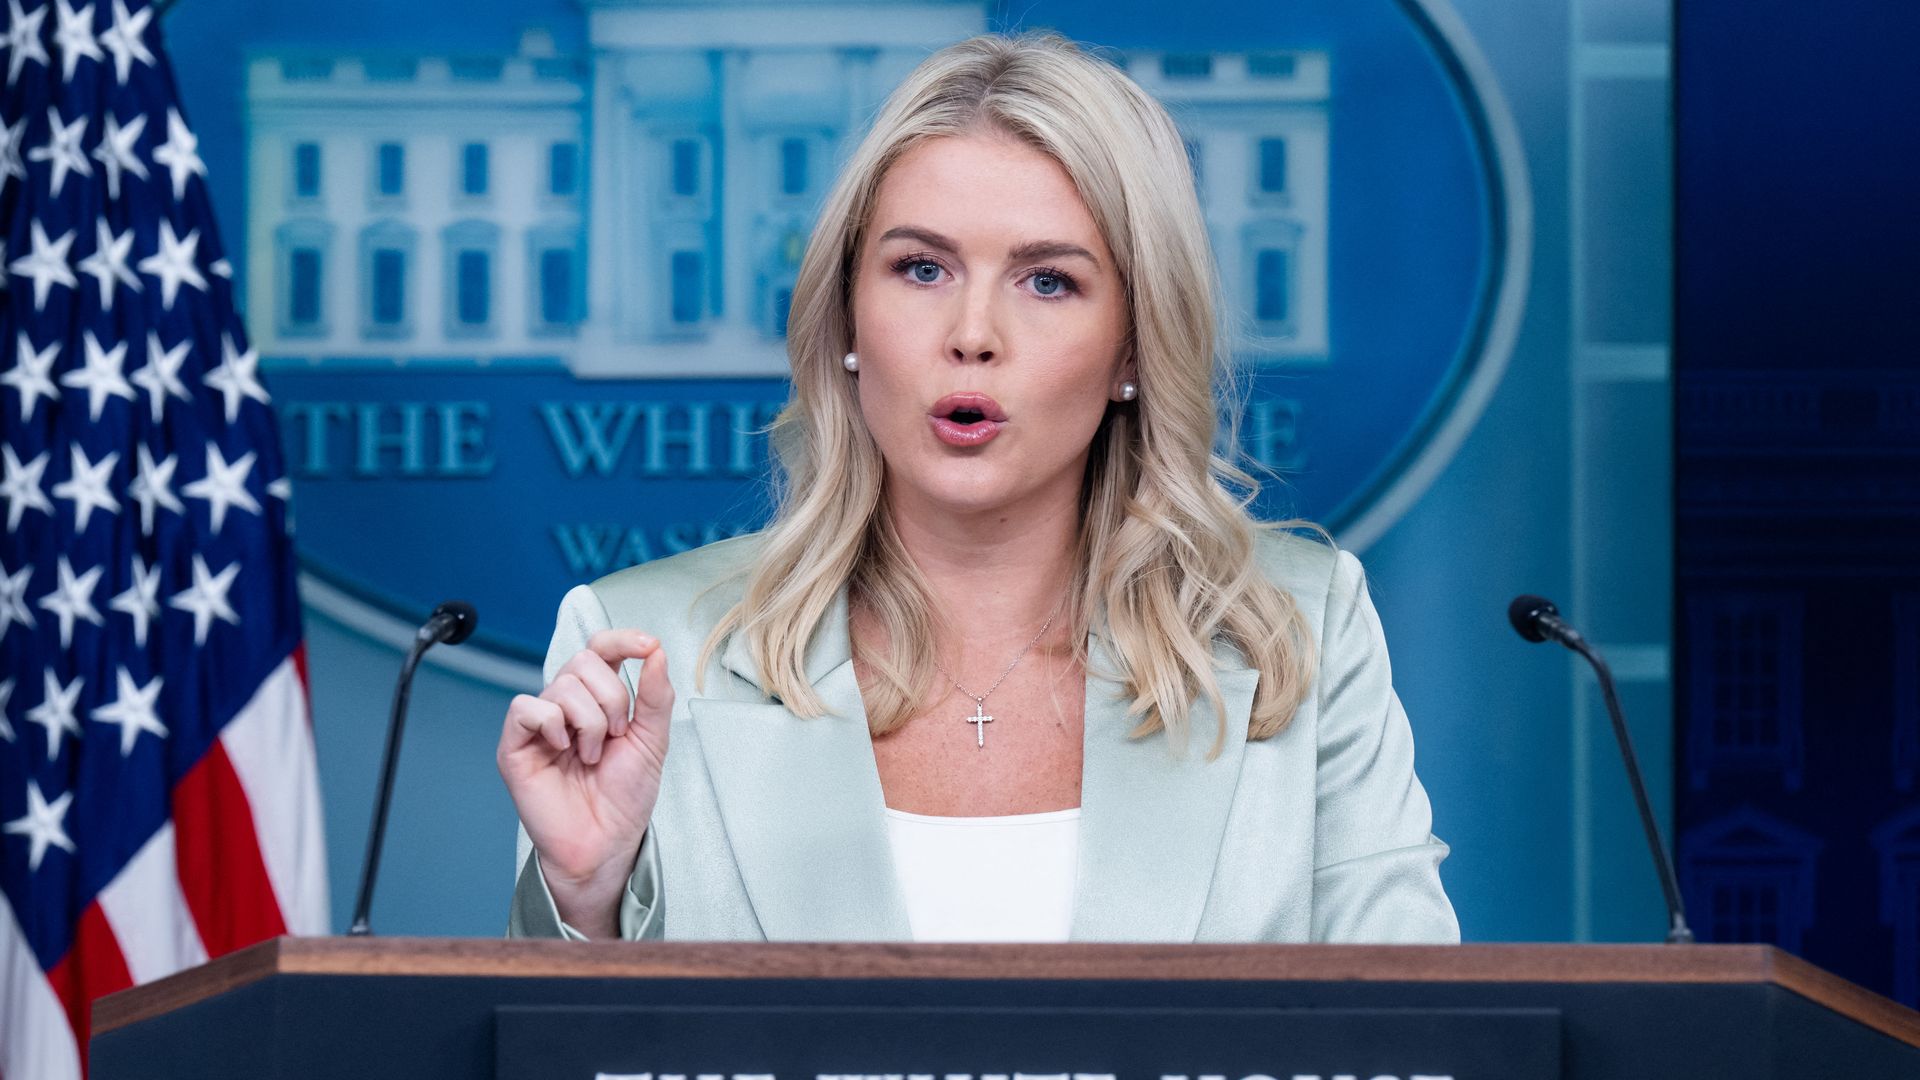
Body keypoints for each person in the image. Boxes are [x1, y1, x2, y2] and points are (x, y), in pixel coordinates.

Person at [499, 30, 1459, 944]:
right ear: (845, 317)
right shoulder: (639, 655)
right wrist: (583, 911)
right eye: (921, 268)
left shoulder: (1302, 631)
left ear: (1132, 346)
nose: (972, 332)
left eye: (1047, 282)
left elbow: (1414, 1040)